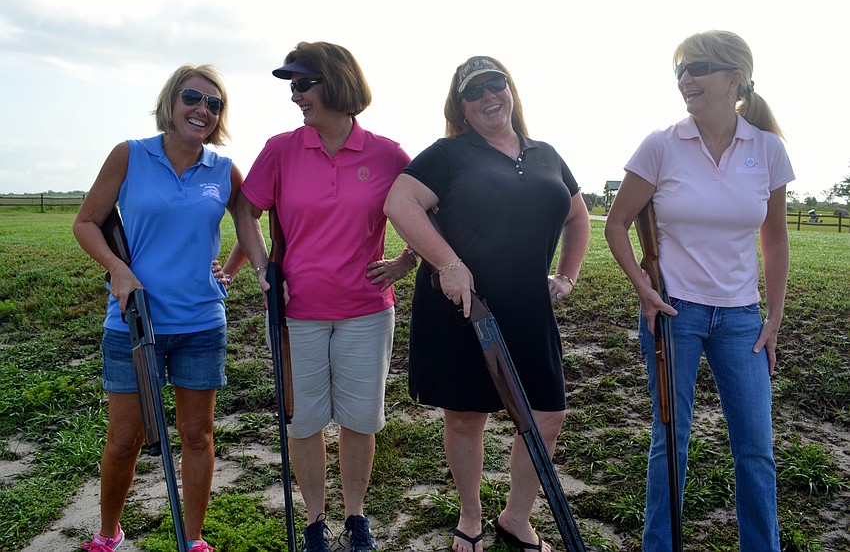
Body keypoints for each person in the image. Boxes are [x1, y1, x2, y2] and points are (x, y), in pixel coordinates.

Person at [383, 56, 591, 552]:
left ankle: (516, 518)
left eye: (494, 85)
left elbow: (578, 217)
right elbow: (400, 203)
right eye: (472, 93)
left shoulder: (546, 153)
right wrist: (449, 264)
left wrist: (566, 274)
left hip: (528, 306)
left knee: (546, 414)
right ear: (461, 106)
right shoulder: (448, 153)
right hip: (463, 307)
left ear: (510, 89)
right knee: (466, 416)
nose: (487, 98)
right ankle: (471, 515)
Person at [604, 30, 793, 551]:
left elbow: (774, 238)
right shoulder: (661, 145)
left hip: (741, 321)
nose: (686, 78)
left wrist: (773, 317)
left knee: (756, 448)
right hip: (674, 314)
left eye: (699, 67)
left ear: (736, 77)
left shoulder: (768, 149)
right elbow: (616, 223)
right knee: (671, 443)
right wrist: (645, 290)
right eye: (680, 70)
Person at [231, 41, 415, 552]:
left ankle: (356, 517)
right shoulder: (280, 149)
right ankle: (315, 521)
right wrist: (266, 270)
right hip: (299, 314)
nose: (295, 97)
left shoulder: (387, 153)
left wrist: (405, 262)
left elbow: (428, 213)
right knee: (305, 418)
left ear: (335, 82)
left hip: (367, 312)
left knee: (359, 420)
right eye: (292, 86)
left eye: (303, 84)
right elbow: (245, 209)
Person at [73, 64, 247, 551]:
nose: (203, 110)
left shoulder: (223, 169)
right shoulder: (130, 155)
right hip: (133, 322)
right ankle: (108, 533)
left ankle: (193, 539)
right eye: (193, 98)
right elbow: (87, 222)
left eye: (214, 104)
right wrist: (117, 269)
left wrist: (231, 269)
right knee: (124, 439)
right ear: (171, 101)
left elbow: (251, 223)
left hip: (200, 323)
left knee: (197, 435)